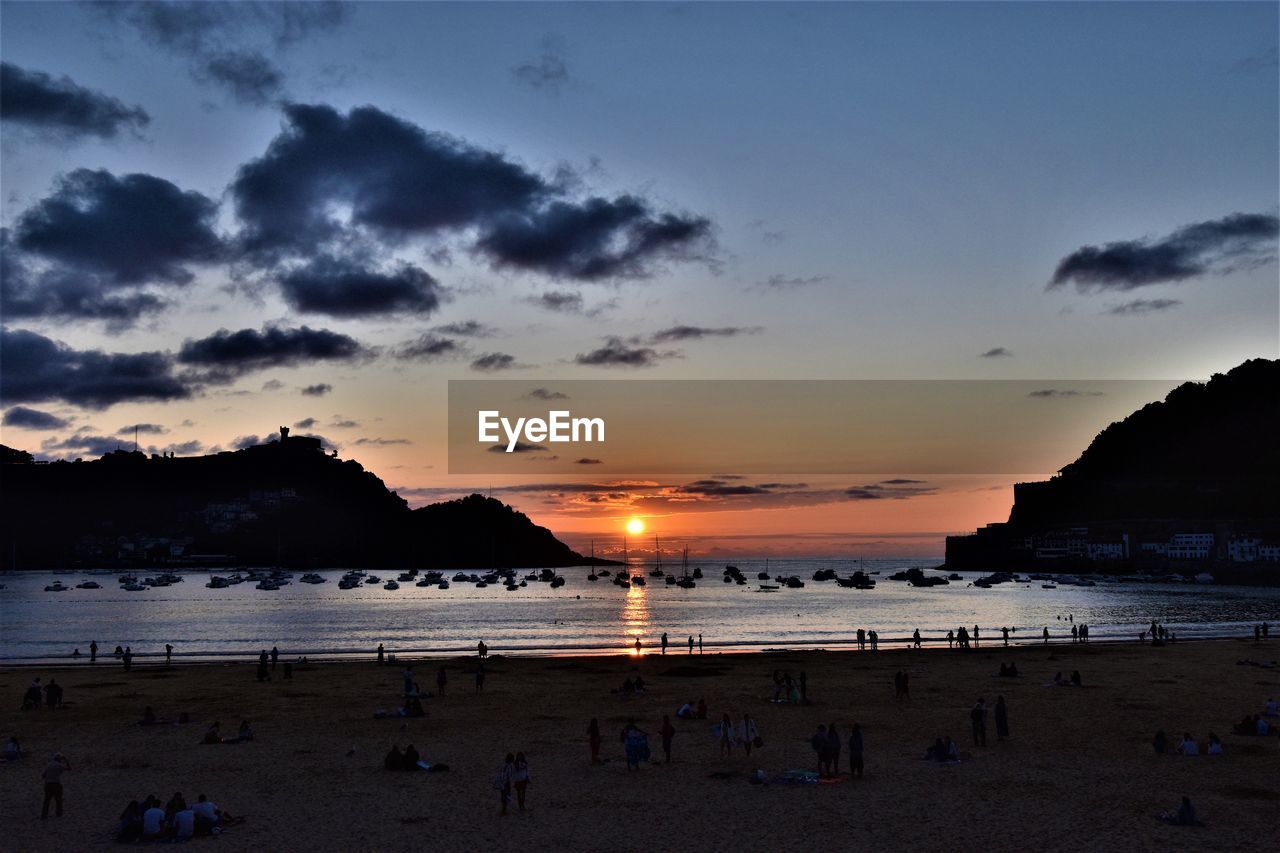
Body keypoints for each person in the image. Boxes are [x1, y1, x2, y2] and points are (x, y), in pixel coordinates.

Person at [41, 752, 70, 818]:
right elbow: (69, 769)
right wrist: (66, 760)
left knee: (47, 800)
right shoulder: (59, 765)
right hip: (56, 784)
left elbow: (43, 775)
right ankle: (59, 813)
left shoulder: (48, 764)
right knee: (58, 799)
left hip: (48, 784)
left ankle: (44, 814)